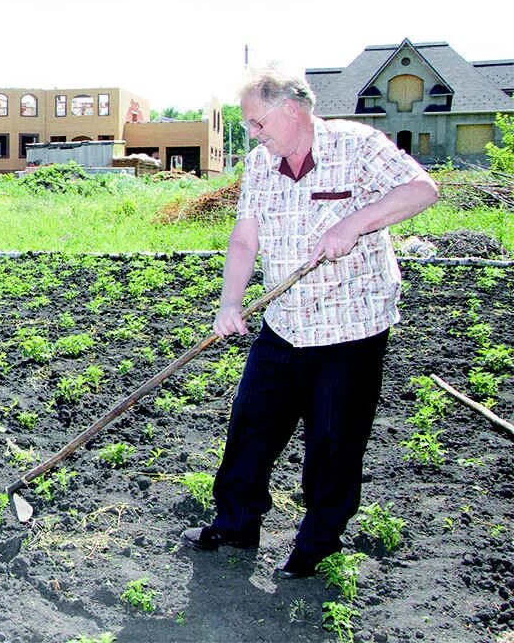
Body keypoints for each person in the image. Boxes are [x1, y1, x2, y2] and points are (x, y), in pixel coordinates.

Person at [181, 69, 439, 578]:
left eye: (257, 123)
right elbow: (244, 240)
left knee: (333, 440)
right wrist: (230, 303)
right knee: (251, 426)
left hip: (351, 329)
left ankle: (317, 542)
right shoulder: (260, 165)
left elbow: (422, 190)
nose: (254, 135)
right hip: (285, 325)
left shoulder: (357, 145)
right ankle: (236, 522)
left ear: (290, 110)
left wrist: (354, 222)